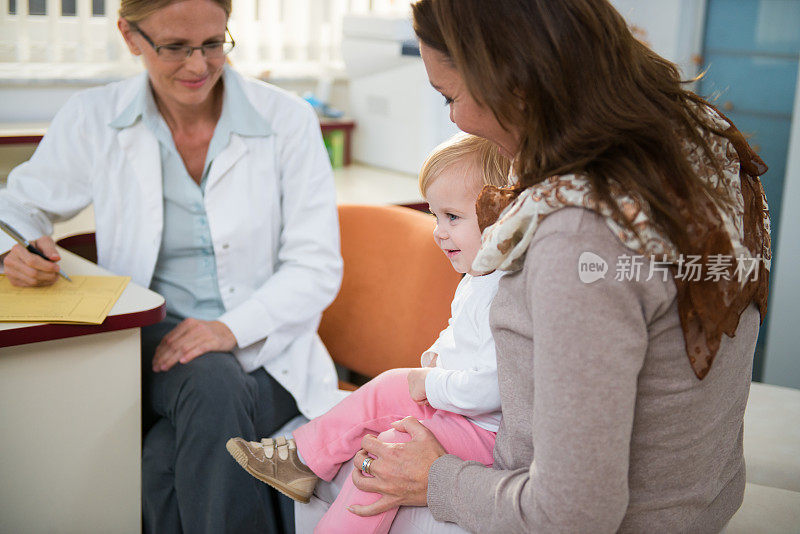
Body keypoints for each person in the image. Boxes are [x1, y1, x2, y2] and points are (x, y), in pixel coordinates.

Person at [297, 0, 772, 532]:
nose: (454, 118)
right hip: (698, 500)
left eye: (451, 95)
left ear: (511, 80)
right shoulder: (704, 136)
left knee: (335, 488)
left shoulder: (582, 227)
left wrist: (436, 478)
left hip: (601, 516)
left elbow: (572, 514)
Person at [0, 0, 345, 532]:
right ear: (130, 37)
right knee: (209, 383)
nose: (198, 66)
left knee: (164, 457)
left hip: (269, 346)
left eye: (213, 43)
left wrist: (229, 328)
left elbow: (316, 265)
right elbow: (14, 207)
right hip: (149, 344)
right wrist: (13, 250)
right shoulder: (95, 118)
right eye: (175, 48)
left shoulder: (287, 120)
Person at [226, 133, 511, 534]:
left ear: (501, 217)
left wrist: (433, 384)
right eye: (434, 216)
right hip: (465, 413)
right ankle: (301, 458)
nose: (439, 232)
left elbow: (492, 388)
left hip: (486, 430)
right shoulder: (475, 277)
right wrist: (434, 362)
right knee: (395, 382)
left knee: (391, 449)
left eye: (452, 217)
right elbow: (458, 335)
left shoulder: (504, 292)